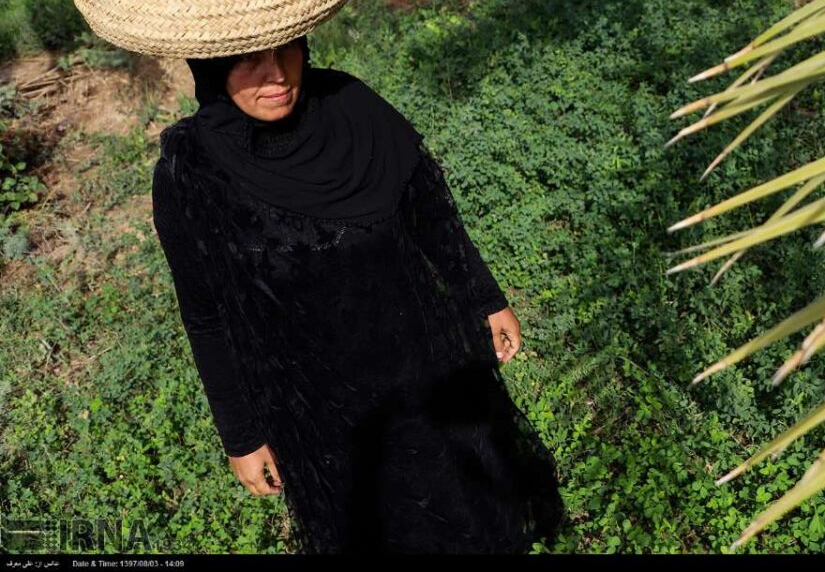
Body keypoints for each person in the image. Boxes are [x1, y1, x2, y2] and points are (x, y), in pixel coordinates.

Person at [150, 33, 565, 554]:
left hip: (425, 367)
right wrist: (242, 436)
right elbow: (205, 315)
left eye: (287, 51)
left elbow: (431, 216)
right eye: (250, 60)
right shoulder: (192, 171)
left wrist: (484, 297)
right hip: (319, 409)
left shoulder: (351, 107)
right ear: (211, 67)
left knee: (469, 509)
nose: (277, 75)